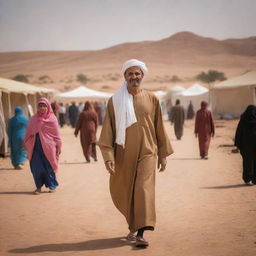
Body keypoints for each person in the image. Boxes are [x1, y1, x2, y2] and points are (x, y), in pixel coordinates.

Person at [98, 59, 173, 247]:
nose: (134, 77)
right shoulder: (115, 101)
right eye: (130, 74)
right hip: (124, 153)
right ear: (125, 76)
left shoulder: (152, 98)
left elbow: (159, 127)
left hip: (148, 151)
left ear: (143, 76)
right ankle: (133, 225)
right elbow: (108, 130)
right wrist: (108, 158)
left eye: (137, 73)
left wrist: (162, 154)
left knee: (143, 189)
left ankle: (141, 232)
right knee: (128, 190)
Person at [24, 98, 62, 194]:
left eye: (44, 106)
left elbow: (57, 135)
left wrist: (59, 145)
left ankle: (52, 185)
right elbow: (28, 133)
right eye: (40, 106)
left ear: (48, 107)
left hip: (49, 148)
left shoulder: (53, 119)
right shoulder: (33, 119)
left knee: (49, 167)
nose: (42, 108)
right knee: (37, 167)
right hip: (35, 147)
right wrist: (27, 143)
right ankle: (38, 187)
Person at [234, 105, 256, 185]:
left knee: (247, 163)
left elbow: (238, 133)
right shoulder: (246, 120)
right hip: (251, 146)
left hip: (245, 147)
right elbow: (239, 132)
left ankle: (249, 179)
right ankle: (251, 179)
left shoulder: (243, 120)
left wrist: (237, 145)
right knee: (251, 163)